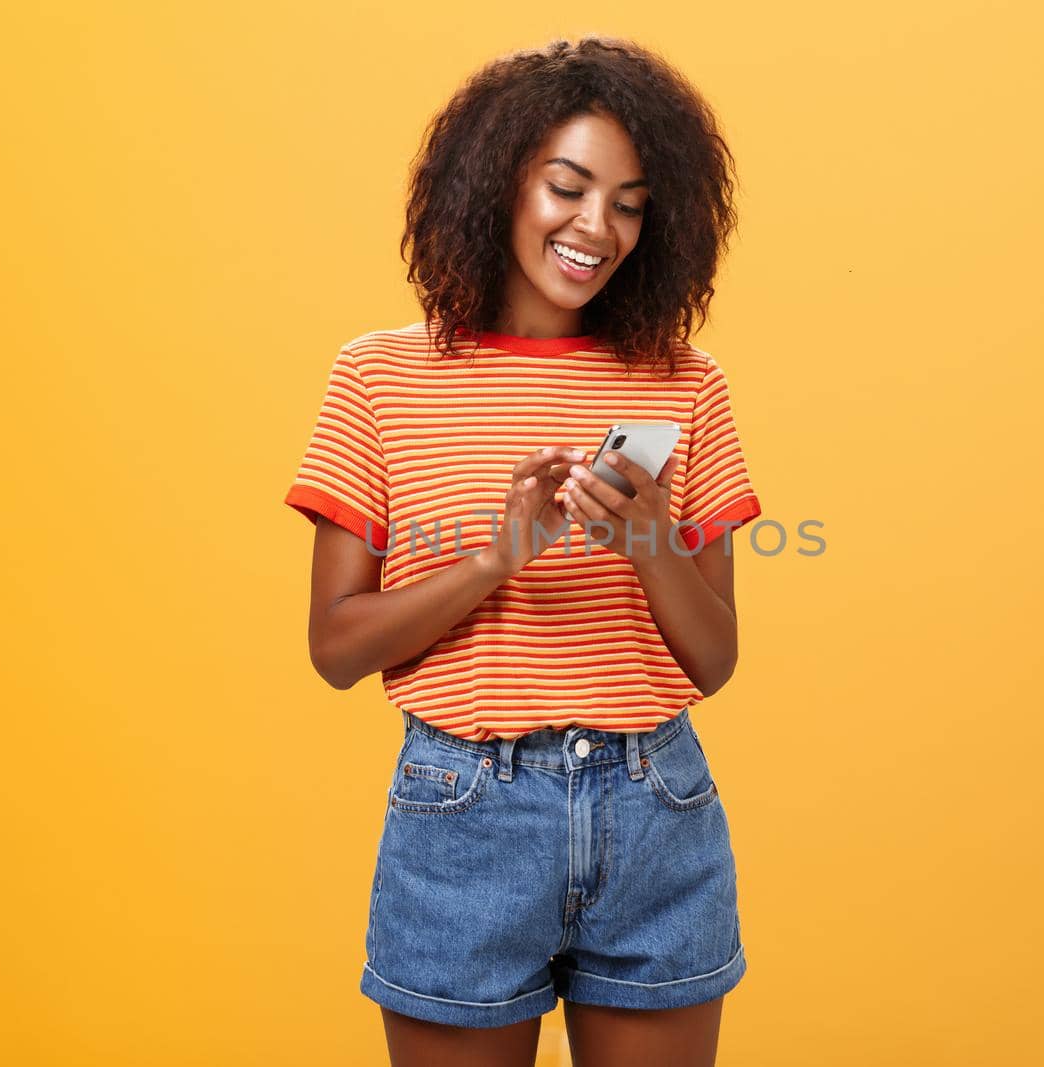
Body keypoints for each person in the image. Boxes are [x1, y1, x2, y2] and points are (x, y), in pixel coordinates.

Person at [284, 35, 762, 1067]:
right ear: (497, 182)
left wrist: (647, 543)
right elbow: (335, 647)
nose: (597, 227)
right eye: (567, 187)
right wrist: (495, 558)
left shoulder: (686, 383)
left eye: (630, 202)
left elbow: (713, 660)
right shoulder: (378, 378)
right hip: (463, 813)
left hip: (655, 810)